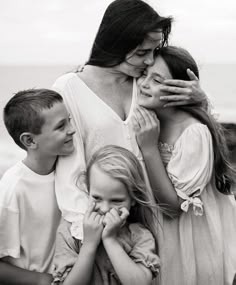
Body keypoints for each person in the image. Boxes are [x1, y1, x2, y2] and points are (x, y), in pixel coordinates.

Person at [52, 0, 207, 241]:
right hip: (105, 226)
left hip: (158, 223)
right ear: (116, 44)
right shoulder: (68, 88)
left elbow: (186, 127)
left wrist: (200, 99)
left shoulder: (144, 83)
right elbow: (70, 172)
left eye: (153, 51)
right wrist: (89, 236)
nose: (149, 61)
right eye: (142, 52)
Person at [133, 46, 236, 285]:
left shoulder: (193, 133)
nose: (144, 84)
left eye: (157, 79)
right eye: (143, 73)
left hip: (187, 240)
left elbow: (173, 207)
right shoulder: (148, 117)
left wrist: (149, 148)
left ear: (180, 89)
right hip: (155, 230)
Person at [52, 145, 160, 285]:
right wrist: (89, 244)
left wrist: (110, 239)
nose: (104, 208)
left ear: (133, 199)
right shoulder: (70, 231)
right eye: (96, 198)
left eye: (116, 201)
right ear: (87, 190)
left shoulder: (139, 235)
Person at [0, 89, 75, 285]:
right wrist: (41, 280)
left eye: (69, 120)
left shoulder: (67, 167)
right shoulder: (13, 188)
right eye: (61, 126)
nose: (72, 129)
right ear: (30, 140)